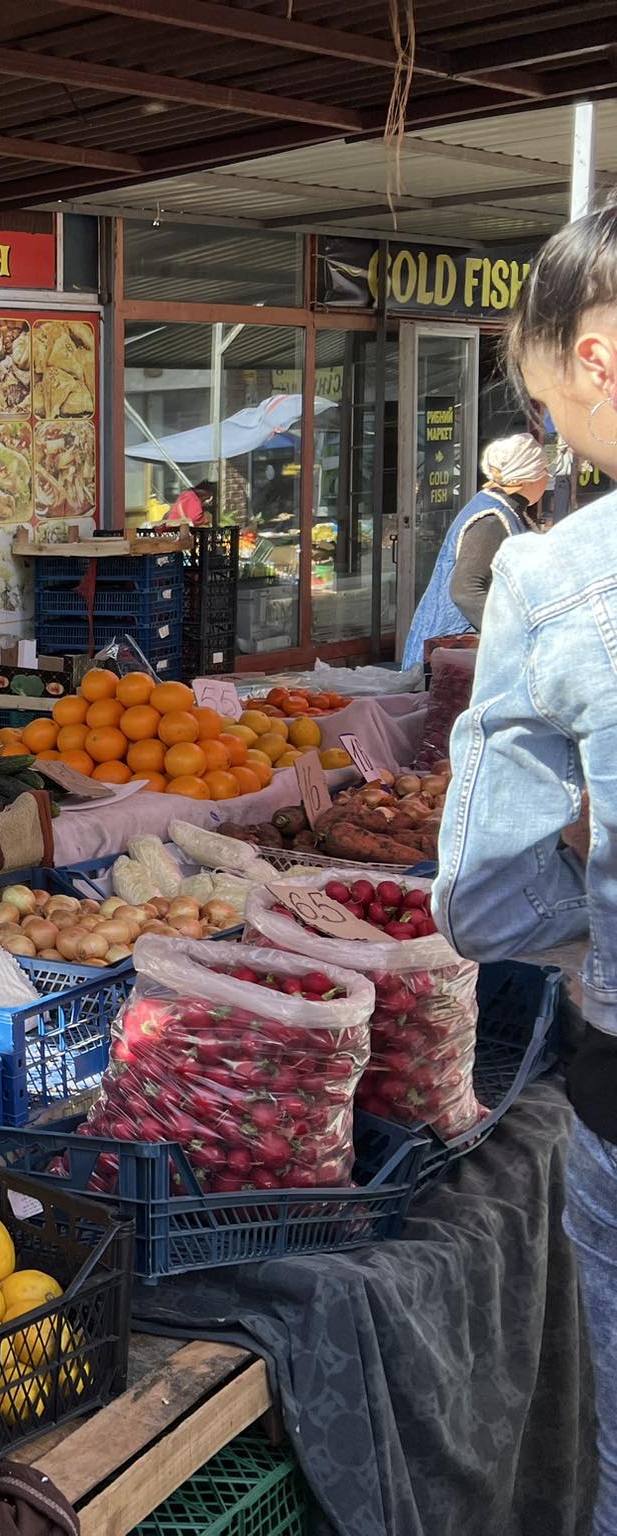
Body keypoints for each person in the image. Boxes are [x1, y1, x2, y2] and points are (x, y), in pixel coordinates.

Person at [429, 201, 617, 1536]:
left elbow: (484, 899)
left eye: (560, 407)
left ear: (599, 358)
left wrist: (577, 862)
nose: (567, 446)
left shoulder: (566, 579)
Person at [399, 433, 551, 668]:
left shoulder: (504, 510)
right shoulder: (491, 519)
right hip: (459, 650)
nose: (547, 479)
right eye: (544, 471)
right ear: (528, 477)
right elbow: (465, 592)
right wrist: (515, 634)